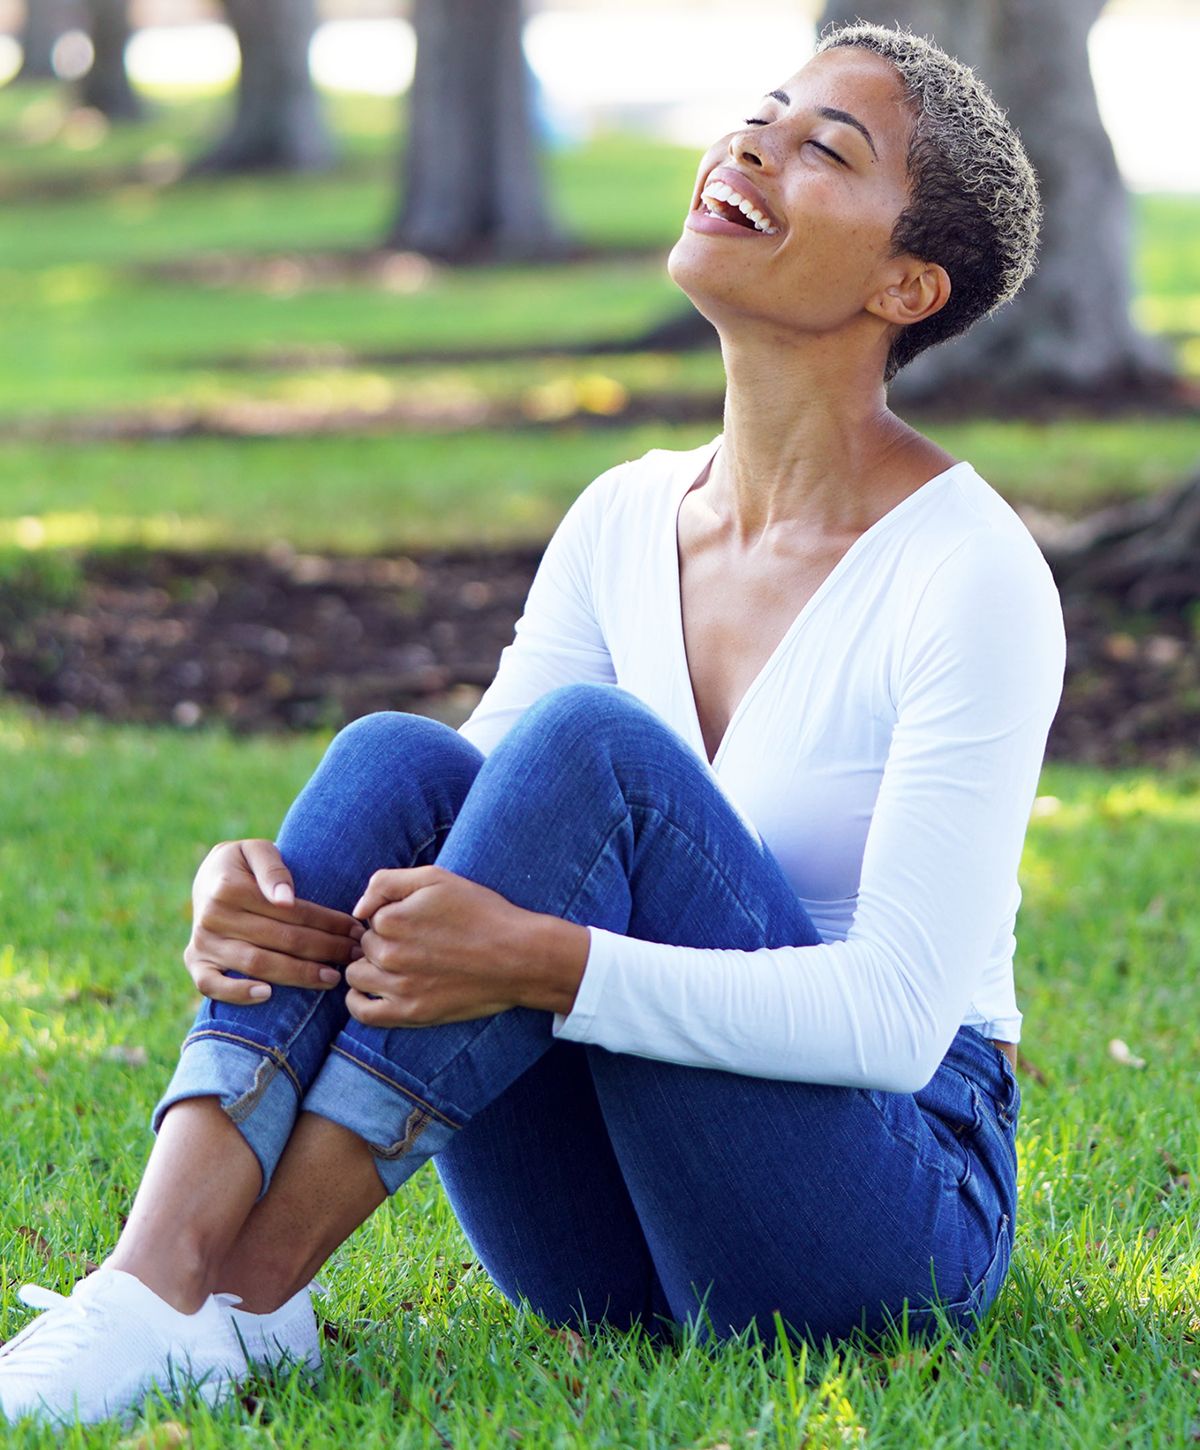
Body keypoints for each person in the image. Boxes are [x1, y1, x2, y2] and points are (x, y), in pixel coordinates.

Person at [0, 21, 1065, 1426]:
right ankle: (151, 1279)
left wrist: (555, 963)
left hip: (874, 1213)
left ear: (906, 282)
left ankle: (240, 1296)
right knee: (399, 756)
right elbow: (464, 825)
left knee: (594, 750)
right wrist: (240, 892)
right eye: (762, 113)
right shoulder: (625, 513)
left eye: (823, 148)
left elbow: (888, 1023)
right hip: (604, 1236)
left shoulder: (968, 569)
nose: (753, 145)